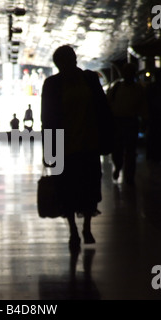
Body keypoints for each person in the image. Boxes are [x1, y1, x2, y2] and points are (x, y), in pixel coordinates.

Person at [41, 45, 108, 252]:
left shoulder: (89, 79)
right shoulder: (53, 84)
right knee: (68, 189)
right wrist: (49, 149)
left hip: (87, 143)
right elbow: (47, 119)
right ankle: (74, 230)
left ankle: (85, 228)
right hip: (66, 145)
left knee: (88, 186)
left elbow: (103, 109)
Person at [107, 62, 147, 185]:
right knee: (118, 149)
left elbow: (143, 107)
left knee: (129, 150)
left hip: (129, 121)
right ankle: (119, 166)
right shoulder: (118, 87)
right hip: (120, 121)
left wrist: (144, 120)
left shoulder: (137, 89)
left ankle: (129, 175)